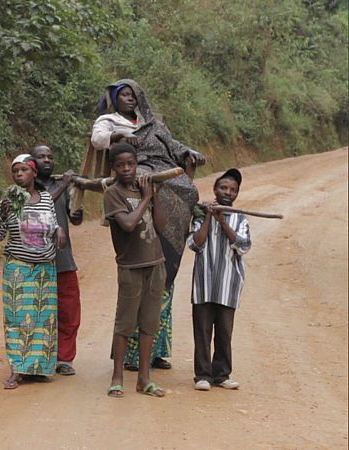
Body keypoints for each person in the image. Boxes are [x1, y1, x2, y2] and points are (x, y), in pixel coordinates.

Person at [91, 79, 207, 371]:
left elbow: (174, 146)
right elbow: (98, 140)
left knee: (188, 190)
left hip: (164, 169)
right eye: (123, 95)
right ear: (115, 99)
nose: (129, 99)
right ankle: (131, 359)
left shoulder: (154, 124)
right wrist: (119, 135)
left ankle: (157, 352)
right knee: (147, 187)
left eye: (133, 95)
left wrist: (190, 153)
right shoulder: (109, 121)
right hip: (139, 170)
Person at [0, 154, 67, 389]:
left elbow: (53, 224)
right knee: (16, 320)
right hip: (19, 269)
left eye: (23, 170)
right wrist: (3, 216)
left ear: (34, 173)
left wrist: (59, 231)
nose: (19, 174)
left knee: (44, 320)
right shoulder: (9, 200)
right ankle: (17, 370)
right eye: (15, 171)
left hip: (45, 270)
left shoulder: (46, 198)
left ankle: (39, 368)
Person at [103, 143, 167, 398]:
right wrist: (146, 198)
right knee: (125, 324)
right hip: (130, 266)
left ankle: (144, 378)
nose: (127, 169)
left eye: (131, 163)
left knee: (149, 324)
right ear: (113, 168)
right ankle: (117, 377)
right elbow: (128, 224)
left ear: (137, 164)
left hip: (155, 263)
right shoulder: (113, 193)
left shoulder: (144, 189)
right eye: (121, 165)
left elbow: (161, 226)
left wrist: (155, 195)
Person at [187, 168, 251, 391]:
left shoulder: (240, 218)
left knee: (224, 332)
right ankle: (203, 375)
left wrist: (223, 222)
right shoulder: (200, 214)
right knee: (202, 331)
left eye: (233, 190)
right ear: (215, 190)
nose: (228, 192)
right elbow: (195, 244)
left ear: (237, 194)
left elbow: (243, 246)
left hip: (228, 285)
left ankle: (222, 375)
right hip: (203, 283)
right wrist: (208, 217)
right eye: (223, 188)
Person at [30, 145, 83, 376]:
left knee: (69, 311)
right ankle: (39, 356)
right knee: (38, 312)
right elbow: (41, 205)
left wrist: (77, 214)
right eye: (41, 157)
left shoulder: (63, 186)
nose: (47, 160)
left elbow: (75, 218)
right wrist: (64, 185)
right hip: (35, 260)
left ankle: (64, 358)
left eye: (50, 157)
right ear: (32, 162)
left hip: (63, 259)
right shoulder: (26, 188)